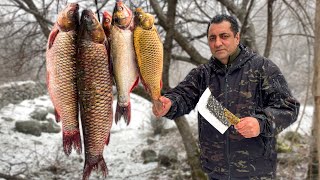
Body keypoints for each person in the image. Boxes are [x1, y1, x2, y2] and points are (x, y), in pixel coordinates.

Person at [152, 14, 300, 180]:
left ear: (237, 37)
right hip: (216, 173)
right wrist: (168, 103)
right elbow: (182, 96)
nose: (217, 43)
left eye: (224, 36)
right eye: (212, 38)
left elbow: (289, 108)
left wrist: (261, 123)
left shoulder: (263, 68)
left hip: (257, 173)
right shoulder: (202, 74)